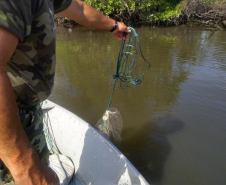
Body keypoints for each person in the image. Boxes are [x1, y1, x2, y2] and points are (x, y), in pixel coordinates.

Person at [0, 0, 130, 184]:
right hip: (10, 125)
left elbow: (78, 8)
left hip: (30, 113)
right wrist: (24, 168)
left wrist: (114, 25)